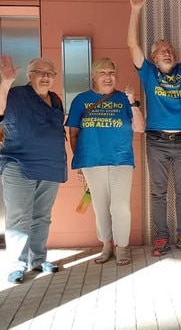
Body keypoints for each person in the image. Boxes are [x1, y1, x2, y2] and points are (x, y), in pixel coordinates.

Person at [126, 0, 181, 256]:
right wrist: (135, 10)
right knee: (158, 192)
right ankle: (161, 237)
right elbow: (132, 44)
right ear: (153, 57)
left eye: (170, 49)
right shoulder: (149, 73)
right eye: (163, 50)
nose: (168, 53)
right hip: (157, 141)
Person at [66, 58, 146, 266]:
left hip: (121, 160)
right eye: (102, 73)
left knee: (120, 207)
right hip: (91, 162)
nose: (108, 77)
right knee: (100, 207)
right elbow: (73, 133)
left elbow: (139, 128)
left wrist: (132, 102)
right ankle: (106, 245)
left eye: (111, 72)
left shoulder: (123, 99)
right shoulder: (80, 100)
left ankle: (122, 246)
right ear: (94, 76)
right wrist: (79, 161)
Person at [0, 56, 67, 284]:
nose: (46, 77)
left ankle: (37, 260)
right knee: (19, 217)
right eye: (40, 72)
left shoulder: (56, 100)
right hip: (19, 164)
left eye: (50, 73)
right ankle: (17, 265)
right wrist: (5, 82)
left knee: (41, 216)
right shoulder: (15, 94)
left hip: (50, 166)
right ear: (29, 75)